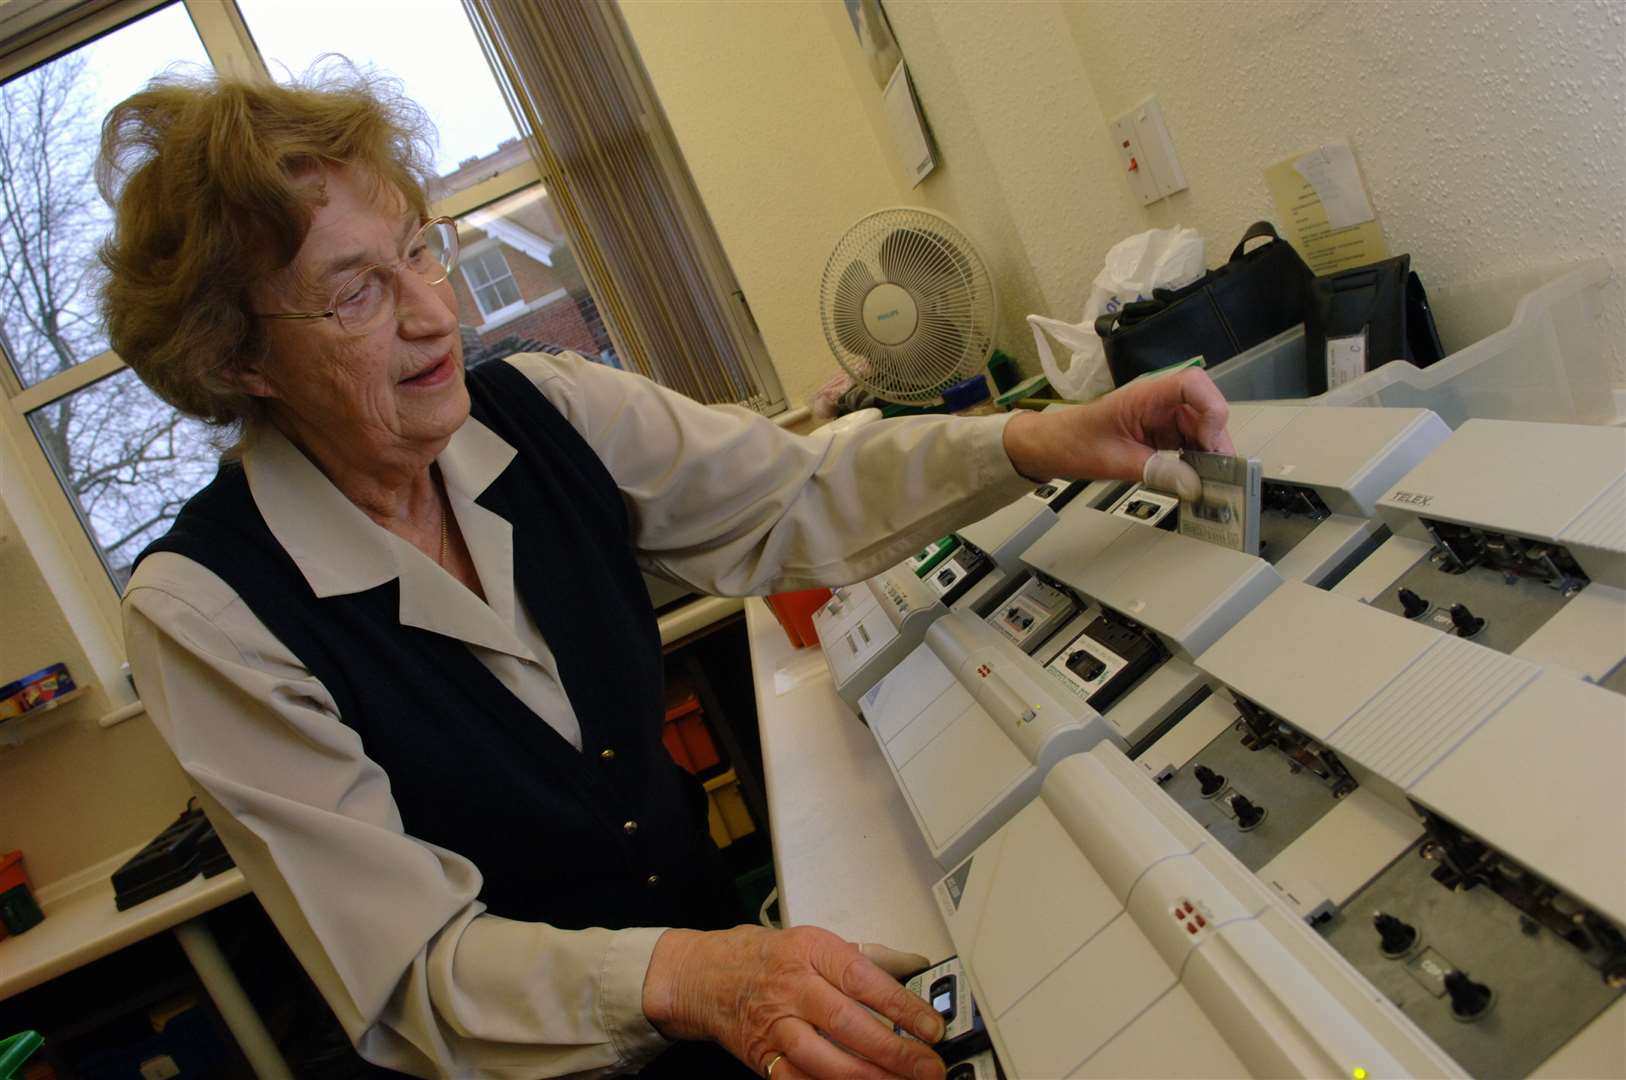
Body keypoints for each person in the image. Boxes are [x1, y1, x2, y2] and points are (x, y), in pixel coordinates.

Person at [102, 68, 1233, 1080]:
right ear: (237, 359)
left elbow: (796, 490)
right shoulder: (205, 609)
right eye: (354, 294)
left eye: (416, 246)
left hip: (711, 1011)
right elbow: (416, 975)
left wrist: (1041, 441)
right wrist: (709, 981)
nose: (434, 311)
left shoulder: (545, 406)